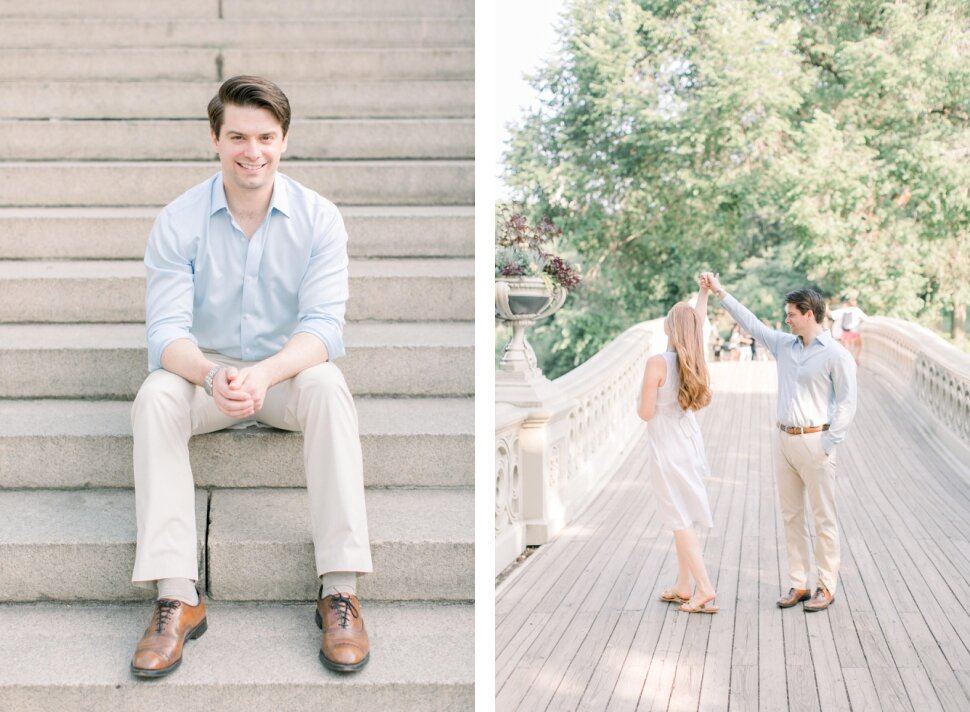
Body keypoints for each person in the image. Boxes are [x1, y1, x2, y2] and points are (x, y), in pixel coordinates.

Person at [129, 76, 373, 678]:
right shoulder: (178, 220)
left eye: (265, 136)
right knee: (155, 396)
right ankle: (177, 595)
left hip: (284, 378)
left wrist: (264, 373)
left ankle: (339, 591)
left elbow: (323, 330)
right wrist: (213, 376)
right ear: (215, 139)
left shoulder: (319, 219)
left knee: (328, 383)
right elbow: (165, 336)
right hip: (203, 380)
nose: (252, 150)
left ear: (284, 140)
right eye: (237, 135)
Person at [700, 273, 856, 612]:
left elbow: (846, 402)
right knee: (791, 516)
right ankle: (799, 583)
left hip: (816, 442)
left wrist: (829, 443)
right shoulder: (785, 345)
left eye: (791, 314)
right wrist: (719, 292)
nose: (787, 319)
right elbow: (752, 325)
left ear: (809, 314)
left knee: (824, 518)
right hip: (783, 440)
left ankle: (826, 586)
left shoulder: (835, 354)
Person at [637, 288, 718, 614]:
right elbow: (697, 320)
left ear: (669, 329)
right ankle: (684, 586)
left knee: (678, 519)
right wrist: (703, 293)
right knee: (682, 516)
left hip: (667, 448)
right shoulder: (695, 361)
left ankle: (705, 588)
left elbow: (645, 413)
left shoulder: (657, 363)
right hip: (689, 445)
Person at [831, 295, 867, 364]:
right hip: (854, 332)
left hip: (845, 332)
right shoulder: (856, 310)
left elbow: (832, 315)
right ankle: (856, 359)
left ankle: (848, 361)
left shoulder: (843, 310)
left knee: (846, 349)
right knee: (858, 345)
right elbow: (866, 319)